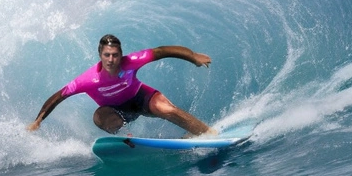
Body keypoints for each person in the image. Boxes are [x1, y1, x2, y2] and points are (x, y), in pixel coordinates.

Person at [27, 34, 215, 136]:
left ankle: (205, 132)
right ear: (100, 55)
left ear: (120, 54)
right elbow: (60, 95)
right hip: (117, 111)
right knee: (100, 117)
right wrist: (39, 120)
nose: (111, 59)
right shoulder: (88, 79)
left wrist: (193, 56)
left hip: (141, 98)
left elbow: (162, 51)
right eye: (107, 55)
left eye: (115, 55)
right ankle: (126, 138)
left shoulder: (131, 61)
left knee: (164, 109)